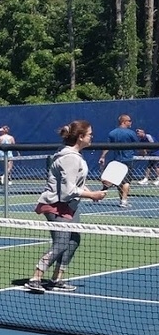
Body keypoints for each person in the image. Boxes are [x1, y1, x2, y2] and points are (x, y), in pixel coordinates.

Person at [24, 121, 107, 293]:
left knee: (73, 240)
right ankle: (36, 277)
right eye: (90, 134)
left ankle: (56, 279)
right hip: (56, 204)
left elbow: (74, 183)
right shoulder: (70, 158)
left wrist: (90, 192)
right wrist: (91, 195)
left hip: (70, 205)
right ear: (80, 137)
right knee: (61, 243)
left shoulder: (76, 156)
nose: (92, 136)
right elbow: (68, 191)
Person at [98, 113, 135, 207]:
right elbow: (139, 146)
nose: (131, 122)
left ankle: (119, 199)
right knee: (126, 181)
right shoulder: (131, 133)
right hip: (127, 160)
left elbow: (107, 146)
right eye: (129, 121)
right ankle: (124, 201)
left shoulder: (112, 133)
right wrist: (144, 153)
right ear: (124, 122)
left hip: (117, 160)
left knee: (118, 180)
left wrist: (102, 156)